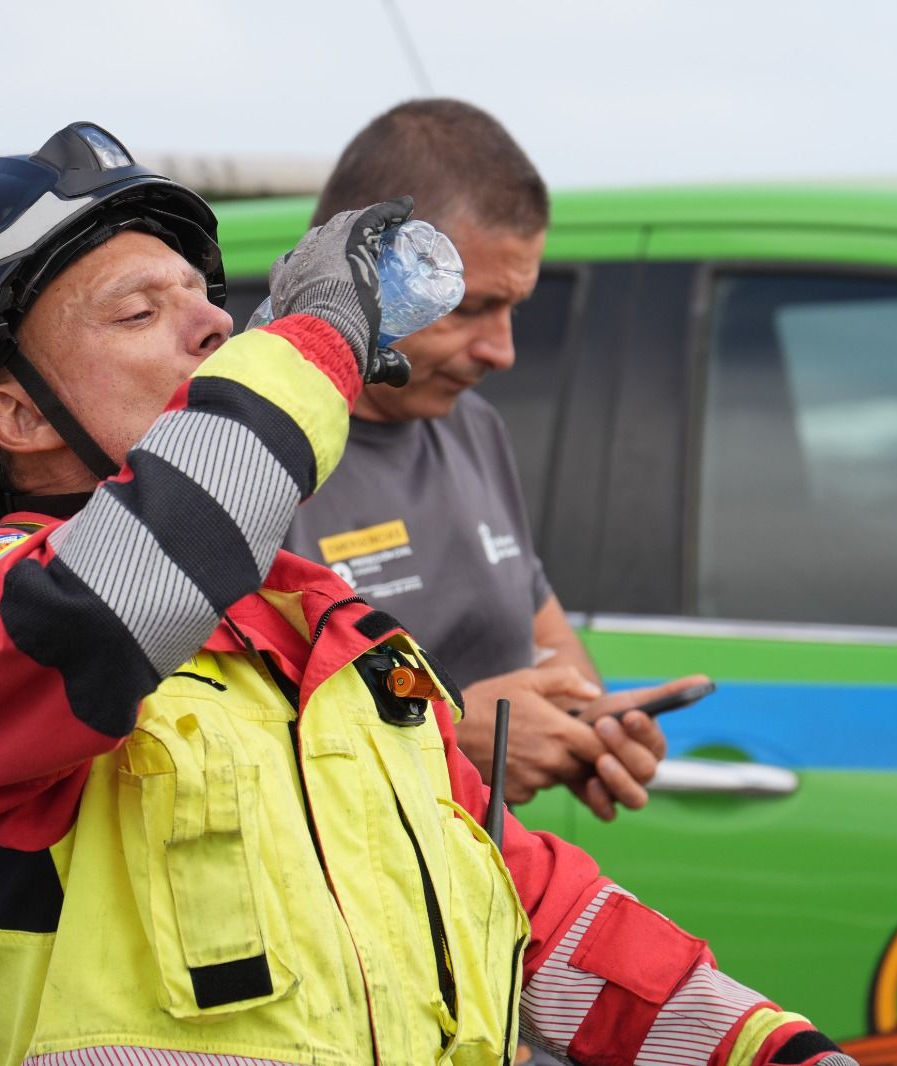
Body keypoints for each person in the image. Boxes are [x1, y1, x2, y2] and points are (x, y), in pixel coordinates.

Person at [0, 122, 855, 1066]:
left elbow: (530, 907)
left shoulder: (330, 630)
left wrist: (768, 1046)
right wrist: (319, 334)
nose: (215, 321)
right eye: (139, 310)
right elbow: (129, 586)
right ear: (18, 415)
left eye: (204, 297)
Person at [283, 99, 703, 822]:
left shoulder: (471, 427)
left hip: (468, 908)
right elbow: (211, 736)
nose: (503, 352)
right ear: (356, 267)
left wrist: (584, 724)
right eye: (470, 308)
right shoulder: (241, 446)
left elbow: (542, 643)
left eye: (514, 309)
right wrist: (453, 727)